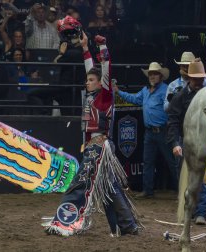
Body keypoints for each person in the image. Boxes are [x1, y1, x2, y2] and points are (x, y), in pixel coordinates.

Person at [43, 32, 140, 236]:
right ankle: (128, 225)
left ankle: (64, 221)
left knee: (81, 182)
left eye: (91, 80)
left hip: (99, 146)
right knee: (110, 188)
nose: (87, 82)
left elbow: (105, 69)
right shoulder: (92, 96)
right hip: (95, 146)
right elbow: (91, 67)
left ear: (99, 83)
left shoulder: (104, 97)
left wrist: (103, 48)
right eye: (87, 80)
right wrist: (86, 48)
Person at [114, 62, 179, 198]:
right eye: (150, 74)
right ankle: (148, 190)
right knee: (148, 161)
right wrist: (118, 91)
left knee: (172, 162)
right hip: (150, 132)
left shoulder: (165, 90)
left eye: (155, 74)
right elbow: (134, 98)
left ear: (160, 76)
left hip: (163, 131)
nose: (152, 76)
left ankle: (181, 190)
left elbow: (170, 108)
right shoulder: (145, 91)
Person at [166, 59, 206, 225]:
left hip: (205, 141)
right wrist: (175, 144)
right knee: (185, 178)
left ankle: (201, 213)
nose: (199, 82)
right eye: (196, 78)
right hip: (186, 141)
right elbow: (172, 121)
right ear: (189, 78)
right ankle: (190, 209)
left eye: (201, 78)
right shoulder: (180, 96)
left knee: (204, 178)